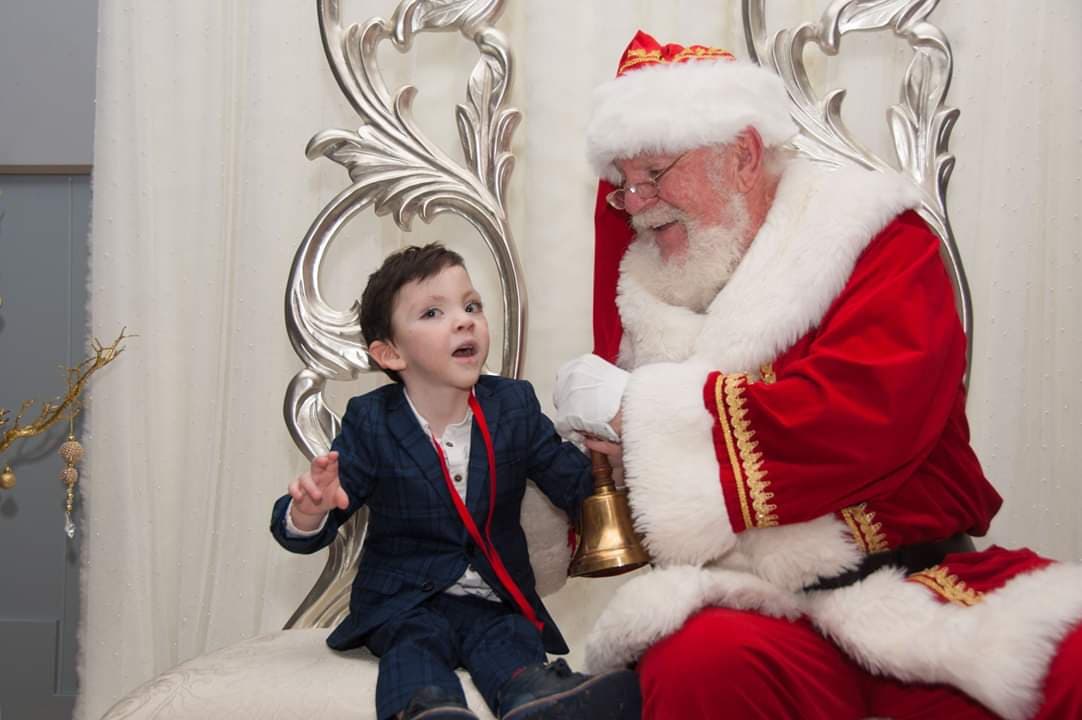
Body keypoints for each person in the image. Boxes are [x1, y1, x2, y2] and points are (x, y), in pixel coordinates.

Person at [556, 30, 1082, 720]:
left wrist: (642, 416)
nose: (639, 201)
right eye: (625, 184)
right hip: (748, 606)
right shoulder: (647, 290)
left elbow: (868, 415)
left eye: (656, 172)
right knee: (701, 665)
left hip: (916, 580)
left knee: (1068, 659)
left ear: (742, 154)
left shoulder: (876, 240)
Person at [270, 244, 641, 720]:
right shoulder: (371, 420)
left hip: (494, 597)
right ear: (390, 353)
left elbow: (573, 485)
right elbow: (310, 523)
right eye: (432, 312)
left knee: (511, 640)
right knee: (414, 648)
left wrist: (609, 463)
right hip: (404, 603)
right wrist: (310, 510)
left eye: (472, 306)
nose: (464, 321)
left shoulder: (513, 406)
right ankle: (426, 709)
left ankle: (540, 699)